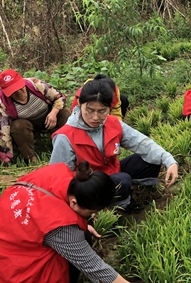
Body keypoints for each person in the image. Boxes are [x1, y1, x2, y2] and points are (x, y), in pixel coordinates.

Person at [0, 161, 155, 283]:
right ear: (74, 202)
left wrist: (82, 224)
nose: (93, 216)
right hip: (0, 268)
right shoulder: (60, 226)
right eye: (91, 212)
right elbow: (93, 266)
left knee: (81, 234)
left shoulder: (60, 173)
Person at [50, 79, 178, 213]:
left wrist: (169, 161)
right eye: (90, 110)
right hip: (89, 187)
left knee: (150, 160)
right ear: (80, 105)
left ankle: (122, 194)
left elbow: (141, 143)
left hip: (113, 173)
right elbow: (59, 178)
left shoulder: (112, 123)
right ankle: (114, 207)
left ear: (109, 108)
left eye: (102, 111)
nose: (95, 117)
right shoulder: (65, 137)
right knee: (122, 180)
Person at [0, 69, 71, 165]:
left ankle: (69, 146)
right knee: (18, 126)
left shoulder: (37, 85)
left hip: (49, 117)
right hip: (28, 126)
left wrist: (53, 113)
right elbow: (3, 133)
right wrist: (6, 161)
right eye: (13, 91)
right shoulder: (3, 103)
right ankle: (31, 158)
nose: (18, 91)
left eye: (19, 87)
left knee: (65, 112)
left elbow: (60, 97)